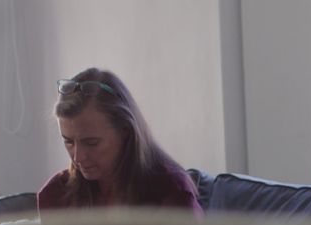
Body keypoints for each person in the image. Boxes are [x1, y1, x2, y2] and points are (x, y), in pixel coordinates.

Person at [38, 68, 202, 217]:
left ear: (125, 131)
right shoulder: (55, 195)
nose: (78, 157)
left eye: (91, 143)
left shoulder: (172, 193)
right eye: (68, 142)